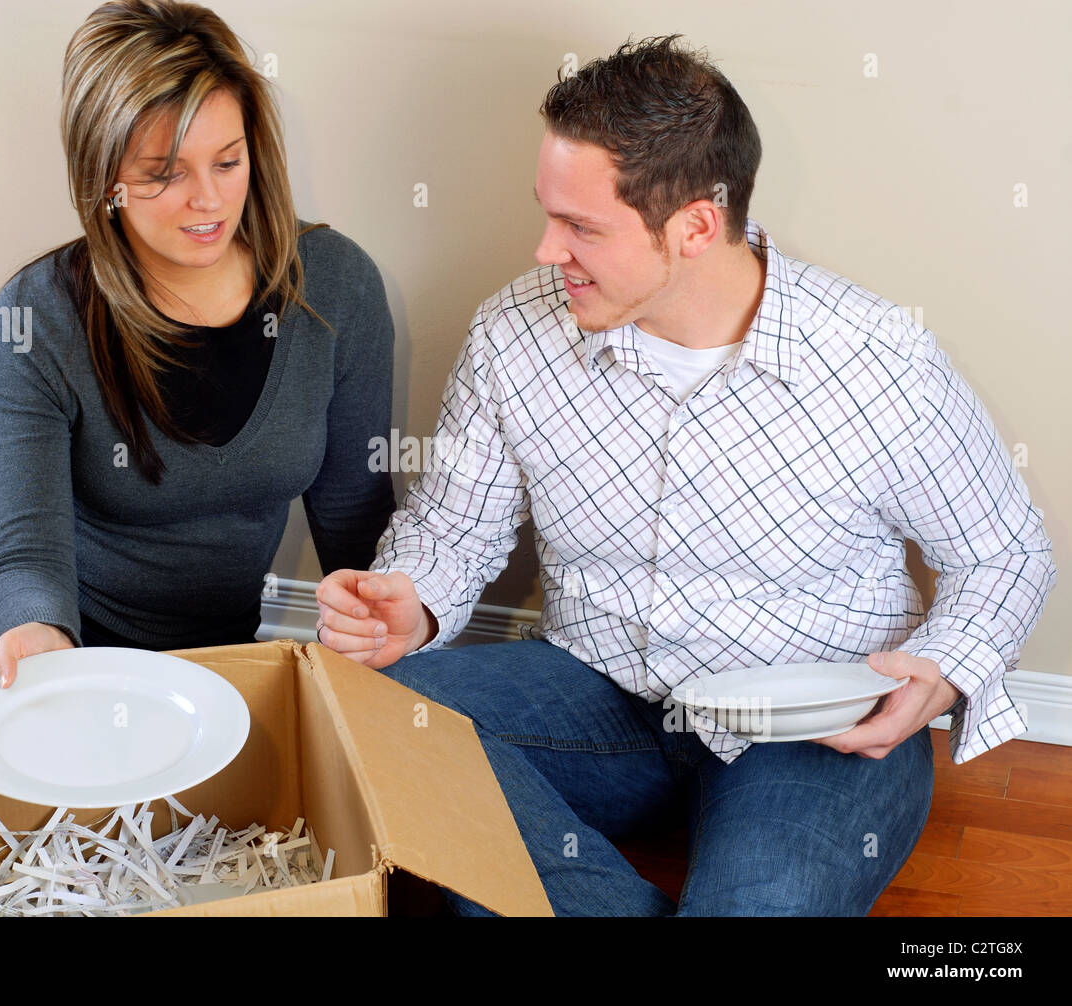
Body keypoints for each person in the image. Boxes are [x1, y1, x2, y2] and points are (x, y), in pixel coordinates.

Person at [314, 35, 1056, 916]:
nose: (547, 251)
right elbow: (454, 529)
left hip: (815, 727)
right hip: (602, 699)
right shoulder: (513, 333)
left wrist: (939, 670)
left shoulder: (875, 357)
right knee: (373, 716)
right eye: (549, 214)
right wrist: (415, 600)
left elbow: (1006, 553)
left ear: (697, 226)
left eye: (582, 227)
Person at [0, 0, 395, 688]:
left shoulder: (337, 288)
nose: (207, 200)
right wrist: (40, 632)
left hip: (200, 644)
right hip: (5, 612)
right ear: (104, 178)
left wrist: (380, 630)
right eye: (163, 173)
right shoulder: (35, 316)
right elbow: (26, 548)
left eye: (227, 161)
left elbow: (357, 517)